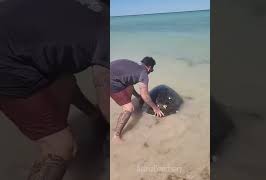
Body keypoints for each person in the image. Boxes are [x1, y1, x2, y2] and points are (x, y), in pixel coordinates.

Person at [0, 0, 109, 179]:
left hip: (18, 28)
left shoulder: (100, 10)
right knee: (61, 146)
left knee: (65, 78)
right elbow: (111, 103)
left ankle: (93, 115)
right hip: (6, 63)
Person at [110, 57, 165, 143]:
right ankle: (116, 136)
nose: (152, 71)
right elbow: (145, 96)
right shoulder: (143, 74)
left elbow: (129, 81)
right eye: (152, 69)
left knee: (129, 85)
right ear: (149, 67)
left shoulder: (135, 65)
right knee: (129, 108)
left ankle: (129, 100)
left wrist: (138, 96)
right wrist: (155, 108)